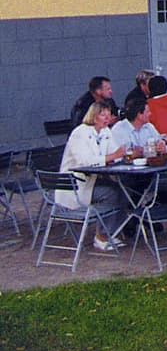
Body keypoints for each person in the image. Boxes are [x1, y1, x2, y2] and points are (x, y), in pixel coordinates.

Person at [59, 101, 126, 250]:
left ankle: (109, 233)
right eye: (103, 115)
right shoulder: (80, 133)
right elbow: (85, 162)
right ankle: (101, 236)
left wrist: (122, 155)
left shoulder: (105, 132)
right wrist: (112, 156)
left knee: (124, 191)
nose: (107, 118)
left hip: (93, 180)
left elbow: (115, 154)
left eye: (108, 115)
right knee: (112, 193)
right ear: (94, 116)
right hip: (75, 185)